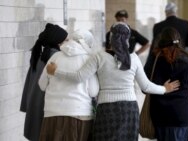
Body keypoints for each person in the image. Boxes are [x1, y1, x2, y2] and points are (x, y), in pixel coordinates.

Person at [46, 22, 180, 141]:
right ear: (127, 39)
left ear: (110, 37)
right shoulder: (133, 58)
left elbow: (79, 77)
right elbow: (146, 86)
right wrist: (164, 89)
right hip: (129, 110)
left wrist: (56, 72)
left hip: (107, 109)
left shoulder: (99, 57)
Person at [38, 29, 99, 141]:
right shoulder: (88, 60)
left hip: (52, 113)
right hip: (79, 113)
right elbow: (93, 91)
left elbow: (42, 85)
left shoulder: (55, 57)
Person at [144, 27, 188, 141]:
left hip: (159, 115)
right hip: (180, 114)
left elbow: (145, 87)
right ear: (179, 41)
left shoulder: (154, 60)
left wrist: (161, 88)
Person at [19, 23, 68, 141]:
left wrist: (26, 105)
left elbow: (28, 83)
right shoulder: (55, 57)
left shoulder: (38, 55)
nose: (67, 42)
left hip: (34, 105)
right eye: (65, 40)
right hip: (46, 107)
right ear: (58, 41)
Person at [145, 2, 188, 74]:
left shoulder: (157, 26)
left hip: (162, 63)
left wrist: (148, 66)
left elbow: (153, 48)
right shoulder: (185, 24)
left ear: (165, 12)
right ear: (176, 11)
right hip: (180, 61)